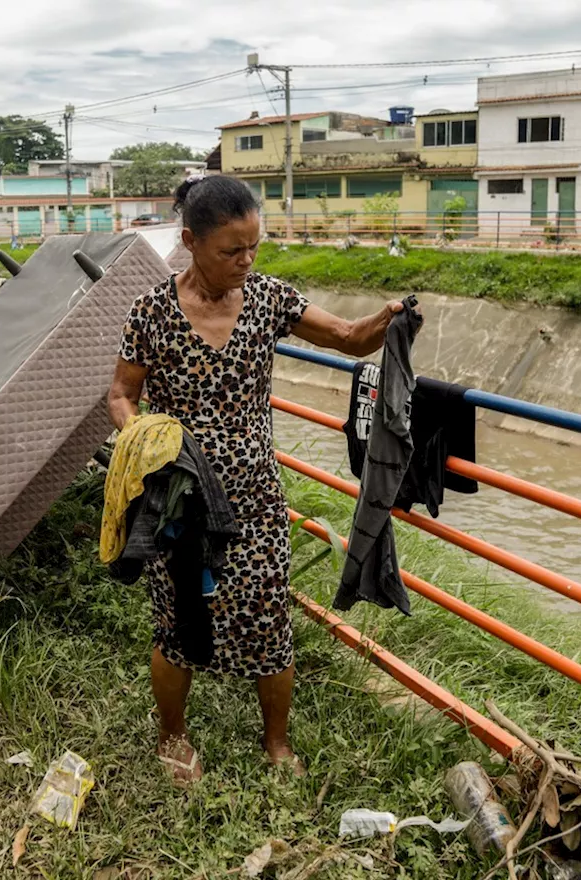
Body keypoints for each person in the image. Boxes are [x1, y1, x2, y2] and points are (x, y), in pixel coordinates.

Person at [108, 174, 416, 784]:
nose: (247, 261)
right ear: (191, 242)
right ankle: (174, 738)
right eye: (231, 250)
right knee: (178, 623)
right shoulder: (151, 312)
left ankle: (277, 744)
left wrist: (388, 318)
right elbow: (122, 393)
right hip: (180, 498)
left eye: (255, 246)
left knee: (269, 618)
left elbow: (350, 339)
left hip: (255, 496)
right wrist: (142, 441)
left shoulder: (269, 298)